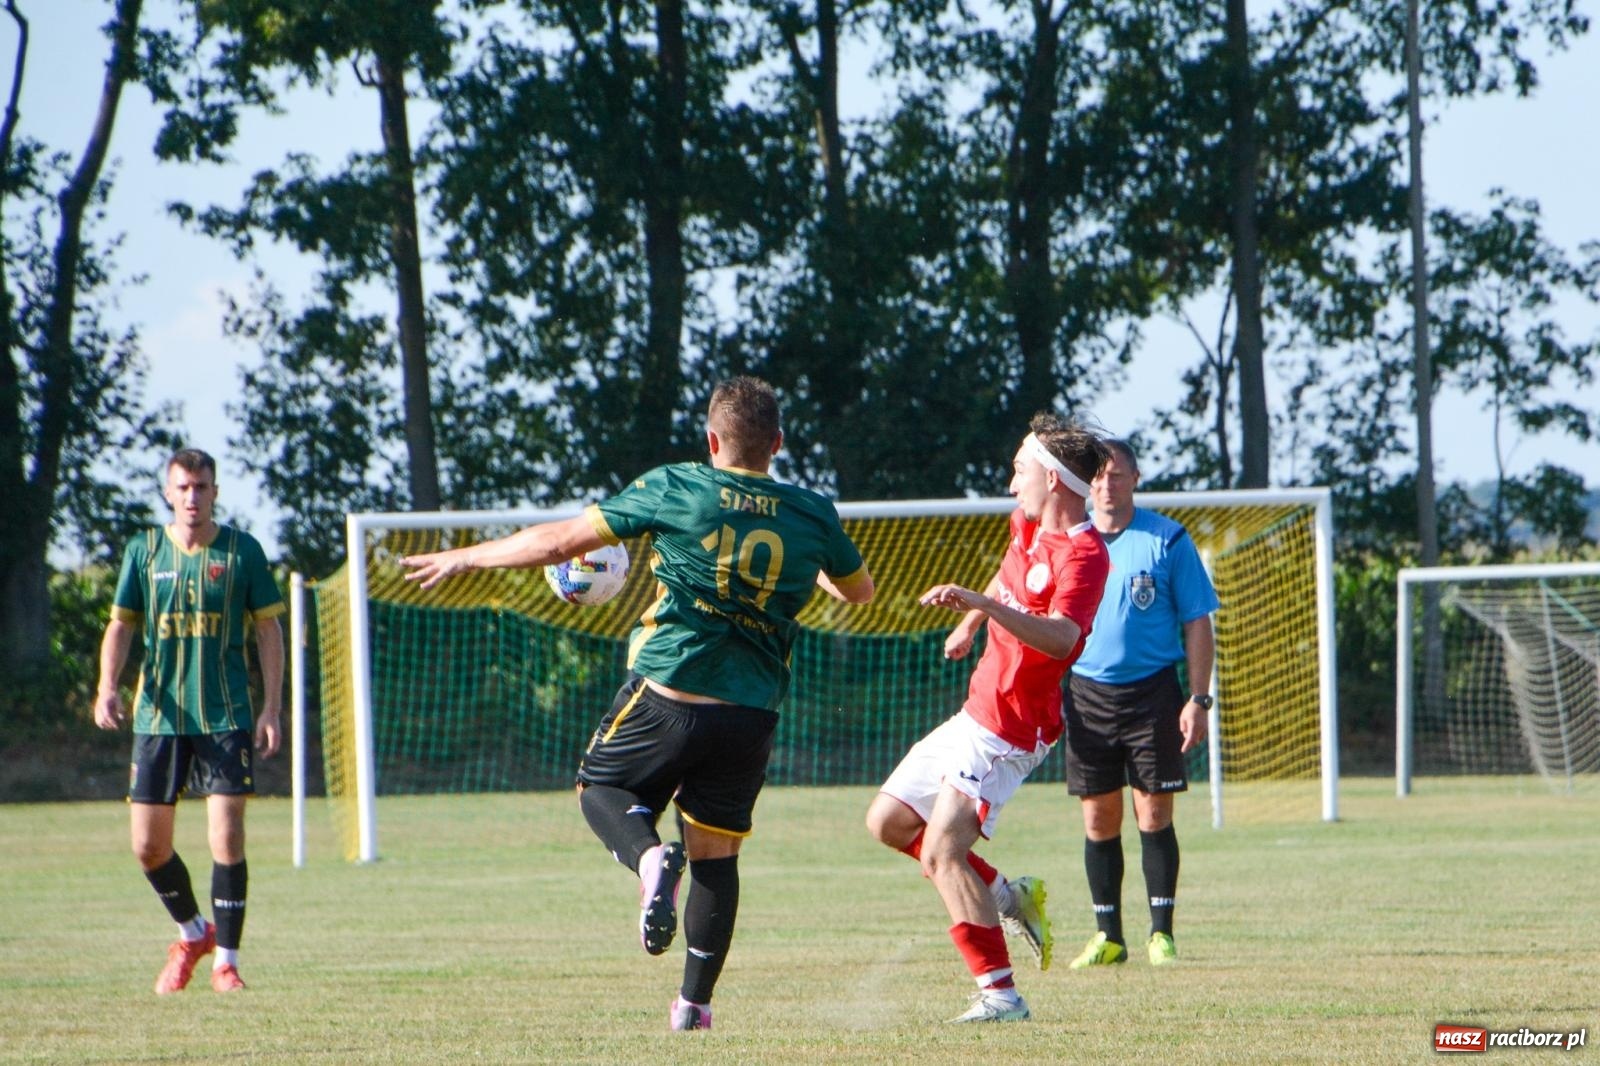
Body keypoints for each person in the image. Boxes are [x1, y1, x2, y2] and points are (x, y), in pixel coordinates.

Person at [400, 376, 874, 1032]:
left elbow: (563, 541)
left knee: (600, 785)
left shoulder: (678, 485)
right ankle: (694, 1007)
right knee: (717, 856)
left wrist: (470, 557)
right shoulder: (813, 513)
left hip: (669, 693)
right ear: (778, 444)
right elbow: (860, 593)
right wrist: (809, 561)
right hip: (750, 716)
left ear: (712, 439)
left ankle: (650, 861)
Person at [865, 414, 1111, 1023]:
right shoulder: (1025, 524)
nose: (1011, 483)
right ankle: (1008, 896)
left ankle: (1001, 997)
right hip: (977, 710)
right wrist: (970, 621)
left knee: (943, 853)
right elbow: (1007, 580)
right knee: (889, 822)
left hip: (1012, 729)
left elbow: (1060, 637)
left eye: (1019, 470)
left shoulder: (1085, 554)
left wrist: (979, 607)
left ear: (1053, 481)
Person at [94, 448, 285, 995]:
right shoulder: (144, 551)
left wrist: (271, 706)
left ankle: (227, 961)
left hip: (225, 714)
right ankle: (193, 933)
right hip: (159, 716)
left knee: (227, 837)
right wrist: (108, 687)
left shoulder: (242, 551)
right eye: (183, 487)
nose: (193, 497)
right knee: (147, 847)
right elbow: (121, 626)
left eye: (202, 487)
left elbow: (269, 632)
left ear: (215, 492)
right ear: (168, 493)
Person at [1062, 438, 1219, 970]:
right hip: (1086, 693)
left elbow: (1198, 619)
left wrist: (1198, 699)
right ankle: (1108, 936)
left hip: (1153, 691)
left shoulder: (1168, 539)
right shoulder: (1067, 540)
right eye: (1098, 477)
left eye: (1117, 475)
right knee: (1099, 818)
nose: (1107, 484)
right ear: (1087, 485)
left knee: (1152, 812)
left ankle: (1162, 934)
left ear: (1135, 478)